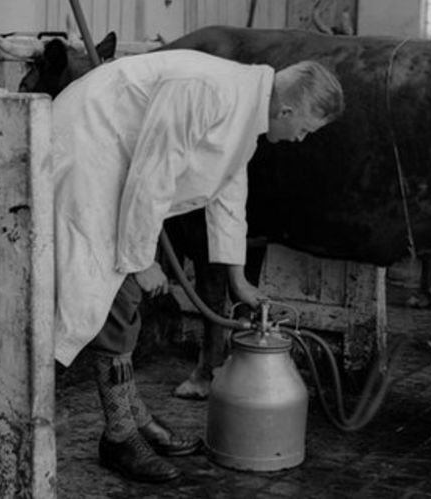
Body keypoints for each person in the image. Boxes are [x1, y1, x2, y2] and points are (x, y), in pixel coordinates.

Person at [50, 49, 345, 482]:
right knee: (112, 296)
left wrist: (237, 277)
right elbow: (153, 174)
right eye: (304, 129)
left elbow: (228, 192)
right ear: (286, 109)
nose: (300, 139)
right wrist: (142, 259)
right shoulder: (209, 91)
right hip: (88, 157)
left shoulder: (245, 104)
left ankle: (132, 419)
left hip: (119, 171)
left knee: (122, 300)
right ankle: (118, 436)